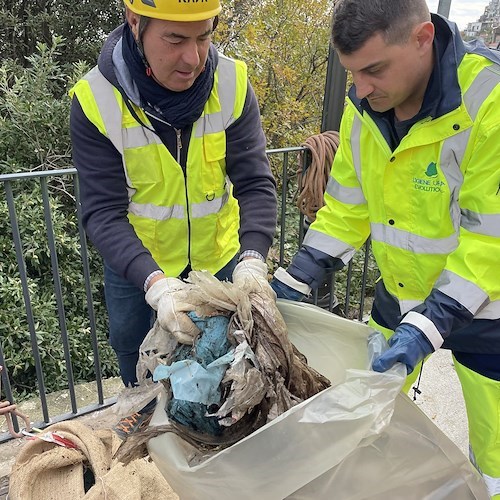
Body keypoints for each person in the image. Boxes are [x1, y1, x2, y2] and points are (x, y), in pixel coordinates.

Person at [270, 0, 500, 497]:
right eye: (353, 73)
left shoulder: (490, 101)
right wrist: (292, 281)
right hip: (400, 301)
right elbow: (347, 208)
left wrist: (427, 327)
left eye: (374, 69)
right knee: (356, 422)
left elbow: (491, 244)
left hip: (490, 317)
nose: (362, 88)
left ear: (422, 38)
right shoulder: (365, 106)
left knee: (497, 458)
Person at [69, 0, 277, 438]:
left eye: (204, 36)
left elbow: (255, 183)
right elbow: (103, 212)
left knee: (223, 365)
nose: (193, 58)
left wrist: (254, 256)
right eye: (175, 39)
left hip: (217, 260)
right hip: (136, 266)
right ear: (135, 23)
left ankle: (210, 437)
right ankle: (145, 425)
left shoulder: (232, 83)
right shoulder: (96, 99)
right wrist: (156, 284)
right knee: (134, 350)